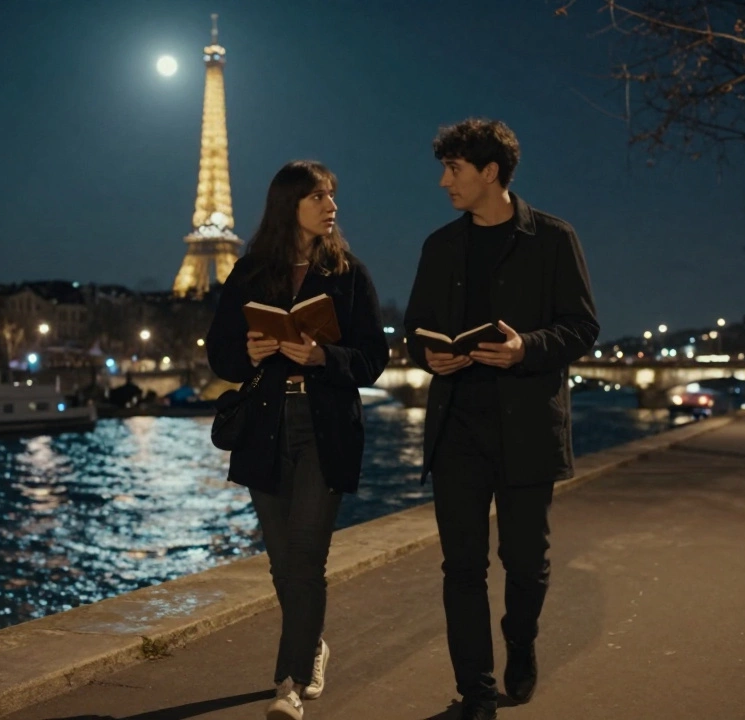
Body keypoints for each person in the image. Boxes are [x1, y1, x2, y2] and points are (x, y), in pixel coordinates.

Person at [403, 118, 599, 720]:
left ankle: (520, 639)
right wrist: (427, 353)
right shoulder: (440, 246)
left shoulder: (554, 239)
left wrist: (524, 349)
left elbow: (583, 327)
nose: (443, 182)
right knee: (461, 566)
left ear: (490, 172)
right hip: (458, 424)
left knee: (526, 561)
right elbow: (415, 327)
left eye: (454, 169)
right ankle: (477, 692)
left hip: (525, 427)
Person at [206, 160, 389, 720]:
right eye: (318, 197)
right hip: (265, 425)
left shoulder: (348, 273)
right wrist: (252, 353)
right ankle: (311, 646)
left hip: (322, 425)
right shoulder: (251, 271)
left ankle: (286, 683)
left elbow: (374, 360)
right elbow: (221, 352)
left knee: (307, 557)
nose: (331, 205)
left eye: (333, 196)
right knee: (283, 562)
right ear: (291, 205)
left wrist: (322, 357)